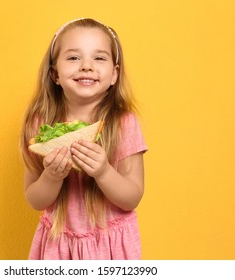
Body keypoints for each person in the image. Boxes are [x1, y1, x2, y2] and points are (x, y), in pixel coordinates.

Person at [20, 18, 148, 260]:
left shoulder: (124, 122)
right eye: (73, 58)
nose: (86, 66)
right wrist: (51, 176)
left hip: (110, 247)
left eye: (99, 58)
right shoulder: (41, 123)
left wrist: (103, 171)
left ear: (114, 74)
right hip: (59, 244)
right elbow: (35, 199)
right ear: (55, 73)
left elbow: (132, 198)